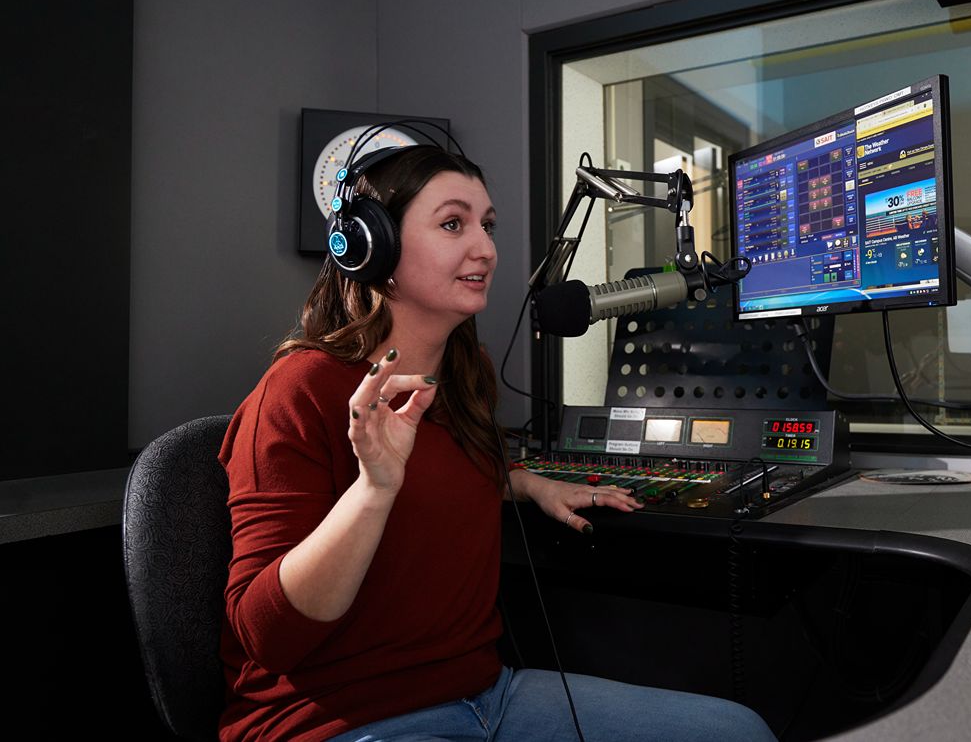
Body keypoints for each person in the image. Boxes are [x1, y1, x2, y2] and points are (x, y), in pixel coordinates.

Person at [218, 144, 776, 742]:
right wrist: (374, 490)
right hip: (335, 718)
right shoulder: (299, 390)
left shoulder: (466, 375)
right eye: (452, 224)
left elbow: (438, 473)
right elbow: (269, 638)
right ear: (373, 246)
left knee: (738, 731)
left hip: (489, 695)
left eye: (486, 225)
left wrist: (524, 482)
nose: (484, 248)